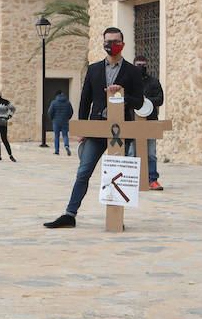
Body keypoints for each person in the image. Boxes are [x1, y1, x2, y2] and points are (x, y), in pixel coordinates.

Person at [43, 26, 145, 228]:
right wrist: (82, 129)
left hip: (121, 131)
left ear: (122, 44)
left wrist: (122, 94)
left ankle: (117, 219)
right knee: (83, 172)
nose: (112, 46)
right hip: (97, 129)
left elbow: (140, 103)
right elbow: (85, 100)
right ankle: (69, 215)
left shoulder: (132, 71)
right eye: (108, 42)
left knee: (119, 174)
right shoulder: (94, 69)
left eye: (116, 42)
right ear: (103, 44)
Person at [133, 54, 165, 190]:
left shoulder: (153, 82)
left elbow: (160, 99)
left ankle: (153, 179)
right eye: (138, 65)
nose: (141, 68)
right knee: (132, 153)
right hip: (133, 123)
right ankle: (133, 180)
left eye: (143, 65)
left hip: (150, 122)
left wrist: (147, 101)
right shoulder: (130, 82)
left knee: (151, 153)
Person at [48, 90, 73, 156]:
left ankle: (57, 151)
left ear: (56, 95)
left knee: (56, 135)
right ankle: (66, 145)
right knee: (65, 135)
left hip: (56, 121)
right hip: (65, 121)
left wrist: (52, 118)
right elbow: (71, 112)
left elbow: (50, 112)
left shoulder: (54, 102)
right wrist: (68, 118)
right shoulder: (68, 103)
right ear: (62, 94)